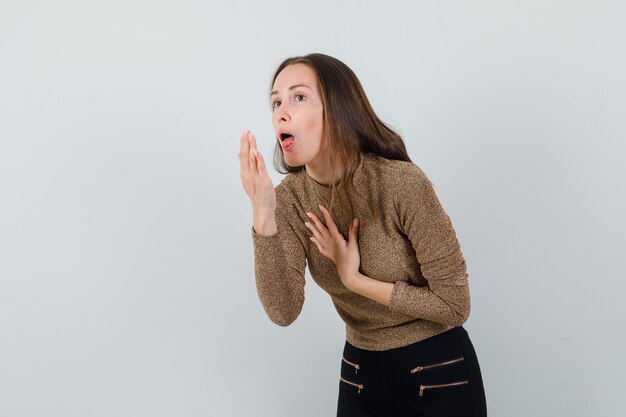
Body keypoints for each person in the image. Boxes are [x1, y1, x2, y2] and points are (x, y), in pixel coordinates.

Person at [238, 53, 487, 417]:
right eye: (276, 101)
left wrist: (355, 280)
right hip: (359, 376)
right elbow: (283, 311)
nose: (281, 111)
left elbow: (455, 304)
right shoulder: (289, 200)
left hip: (437, 372)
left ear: (337, 109)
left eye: (299, 97)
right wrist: (262, 213)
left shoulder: (399, 184)